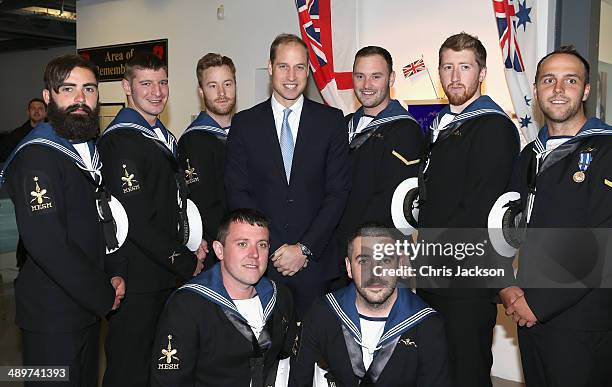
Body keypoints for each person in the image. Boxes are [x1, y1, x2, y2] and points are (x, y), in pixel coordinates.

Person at [0, 55, 125, 387]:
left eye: (89, 89)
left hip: (84, 307)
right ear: (48, 97)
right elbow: (48, 244)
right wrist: (101, 293)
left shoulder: (87, 148)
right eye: (68, 89)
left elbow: (100, 222)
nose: (80, 99)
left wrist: (112, 274)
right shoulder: (37, 156)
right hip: (51, 315)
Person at [499, 45, 612, 386]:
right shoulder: (528, 155)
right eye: (549, 80)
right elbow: (505, 224)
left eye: (570, 80)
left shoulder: (606, 150)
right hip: (529, 314)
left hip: (583, 320)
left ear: (586, 90)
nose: (559, 89)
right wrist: (505, 285)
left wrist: (540, 302)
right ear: (535, 91)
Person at [414, 32, 519, 387]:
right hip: (433, 274)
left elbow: (479, 208)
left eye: (465, 67)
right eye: (448, 67)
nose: (455, 77)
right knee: (434, 369)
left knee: (467, 371)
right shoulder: (443, 125)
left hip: (467, 277)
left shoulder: (493, 125)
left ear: (482, 72)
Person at [225, 33, 350, 318]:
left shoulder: (331, 122)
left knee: (315, 357)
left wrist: (303, 249)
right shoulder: (244, 124)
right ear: (270, 68)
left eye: (300, 67)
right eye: (283, 66)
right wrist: (272, 246)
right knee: (264, 356)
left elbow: (338, 193)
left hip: (316, 268)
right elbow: (237, 192)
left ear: (308, 70)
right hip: (261, 266)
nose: (291, 76)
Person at [98, 52, 204, 387]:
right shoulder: (121, 141)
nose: (157, 91)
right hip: (138, 279)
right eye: (146, 83)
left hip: (162, 273)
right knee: (130, 368)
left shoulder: (159, 135)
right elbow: (138, 220)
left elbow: (170, 204)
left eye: (162, 82)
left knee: (158, 367)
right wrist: (183, 261)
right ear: (126, 86)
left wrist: (192, 240)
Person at [290, 223, 451, 386]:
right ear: (349, 267)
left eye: (385, 260)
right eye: (364, 261)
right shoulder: (323, 313)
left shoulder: (427, 325)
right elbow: (298, 380)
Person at [151, 208, 296, 386]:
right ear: (219, 250)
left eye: (262, 244)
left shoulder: (280, 297)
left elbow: (288, 362)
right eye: (243, 244)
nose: (254, 254)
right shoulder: (188, 305)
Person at [338, 45, 424, 254]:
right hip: (339, 249)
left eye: (376, 76)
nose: (366, 85)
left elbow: (391, 202)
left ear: (391, 78)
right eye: (360, 76)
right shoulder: (343, 125)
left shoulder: (405, 130)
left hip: (379, 250)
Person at [178, 53, 236, 270]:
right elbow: (205, 205)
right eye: (213, 86)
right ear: (201, 91)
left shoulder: (246, 131)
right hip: (218, 250)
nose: (222, 93)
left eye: (227, 84)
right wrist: (233, 242)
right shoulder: (193, 140)